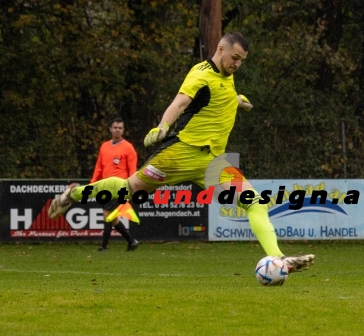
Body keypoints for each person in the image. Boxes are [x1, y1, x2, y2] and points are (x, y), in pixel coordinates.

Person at [49, 32, 314, 272]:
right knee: (127, 189)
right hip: (180, 154)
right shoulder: (200, 73)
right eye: (234, 58)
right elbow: (180, 103)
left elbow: (213, 98)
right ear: (220, 49)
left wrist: (235, 101)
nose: (237, 64)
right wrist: (163, 126)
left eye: (242, 61)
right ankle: (73, 193)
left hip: (212, 163)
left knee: (255, 201)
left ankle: (279, 259)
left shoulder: (227, 76)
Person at [91, 118, 139, 252]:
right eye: (115, 127)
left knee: (107, 214)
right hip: (106, 187)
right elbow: (99, 167)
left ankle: (103, 247)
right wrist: (92, 184)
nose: (117, 130)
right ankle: (131, 241)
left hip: (120, 188)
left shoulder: (128, 148)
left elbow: (132, 171)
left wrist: (131, 189)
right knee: (113, 218)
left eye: (120, 128)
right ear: (110, 129)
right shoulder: (104, 146)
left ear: (123, 130)